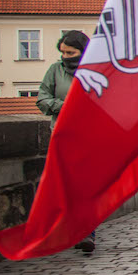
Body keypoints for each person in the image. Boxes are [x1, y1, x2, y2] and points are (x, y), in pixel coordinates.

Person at [38, 30, 96, 253]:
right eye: (62, 52)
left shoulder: (95, 71)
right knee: (65, 186)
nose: (65, 56)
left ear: (82, 52)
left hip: (90, 137)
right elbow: (42, 98)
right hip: (62, 135)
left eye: (70, 52)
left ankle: (86, 233)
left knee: (86, 186)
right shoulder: (55, 70)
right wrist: (66, 106)